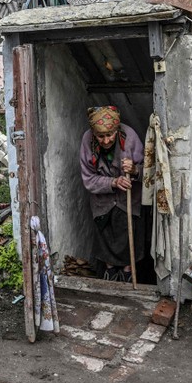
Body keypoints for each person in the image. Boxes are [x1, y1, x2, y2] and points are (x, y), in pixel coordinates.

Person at [79, 106, 144, 282]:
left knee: (129, 238)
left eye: (110, 135)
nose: (106, 140)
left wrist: (135, 169)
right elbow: (88, 179)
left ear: (117, 130)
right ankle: (110, 275)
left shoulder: (130, 137)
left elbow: (150, 171)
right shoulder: (87, 140)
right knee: (105, 238)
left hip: (128, 201)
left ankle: (128, 273)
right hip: (102, 202)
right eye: (101, 136)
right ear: (93, 133)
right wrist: (113, 182)